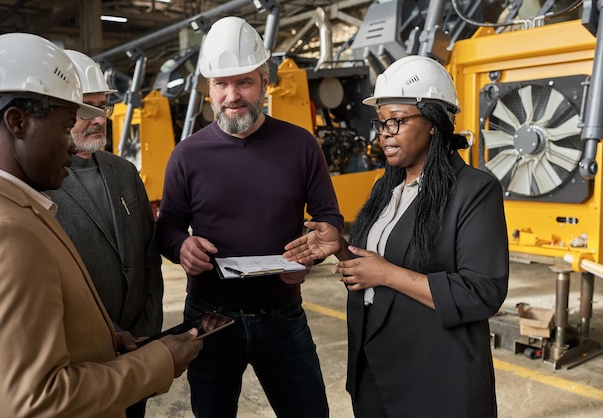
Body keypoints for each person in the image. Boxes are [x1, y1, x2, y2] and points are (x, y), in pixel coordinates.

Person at [0, 33, 202, 417]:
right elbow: (35, 401)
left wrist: (109, 337)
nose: (72, 144)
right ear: (17, 122)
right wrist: (158, 360)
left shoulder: (9, 202)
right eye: (68, 126)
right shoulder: (4, 229)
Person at [283, 55, 509, 417]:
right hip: (374, 367)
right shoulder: (387, 188)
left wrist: (388, 274)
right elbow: (371, 272)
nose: (385, 133)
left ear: (434, 122)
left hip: (434, 376)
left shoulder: (473, 190)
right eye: (382, 123)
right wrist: (340, 248)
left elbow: (481, 293)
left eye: (397, 121)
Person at [155, 16, 344, 418]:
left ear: (264, 80)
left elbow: (328, 217)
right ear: (209, 90)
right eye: (221, 84)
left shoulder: (300, 146)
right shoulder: (187, 155)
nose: (232, 95)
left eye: (244, 82)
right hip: (209, 319)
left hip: (282, 316)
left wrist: (313, 255)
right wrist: (181, 246)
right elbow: (168, 227)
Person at [44, 50, 163, 418]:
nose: (98, 120)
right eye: (85, 109)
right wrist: (109, 331)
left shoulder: (123, 171)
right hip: (83, 354)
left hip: (138, 345)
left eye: (103, 107)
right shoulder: (43, 182)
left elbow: (147, 256)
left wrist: (147, 326)